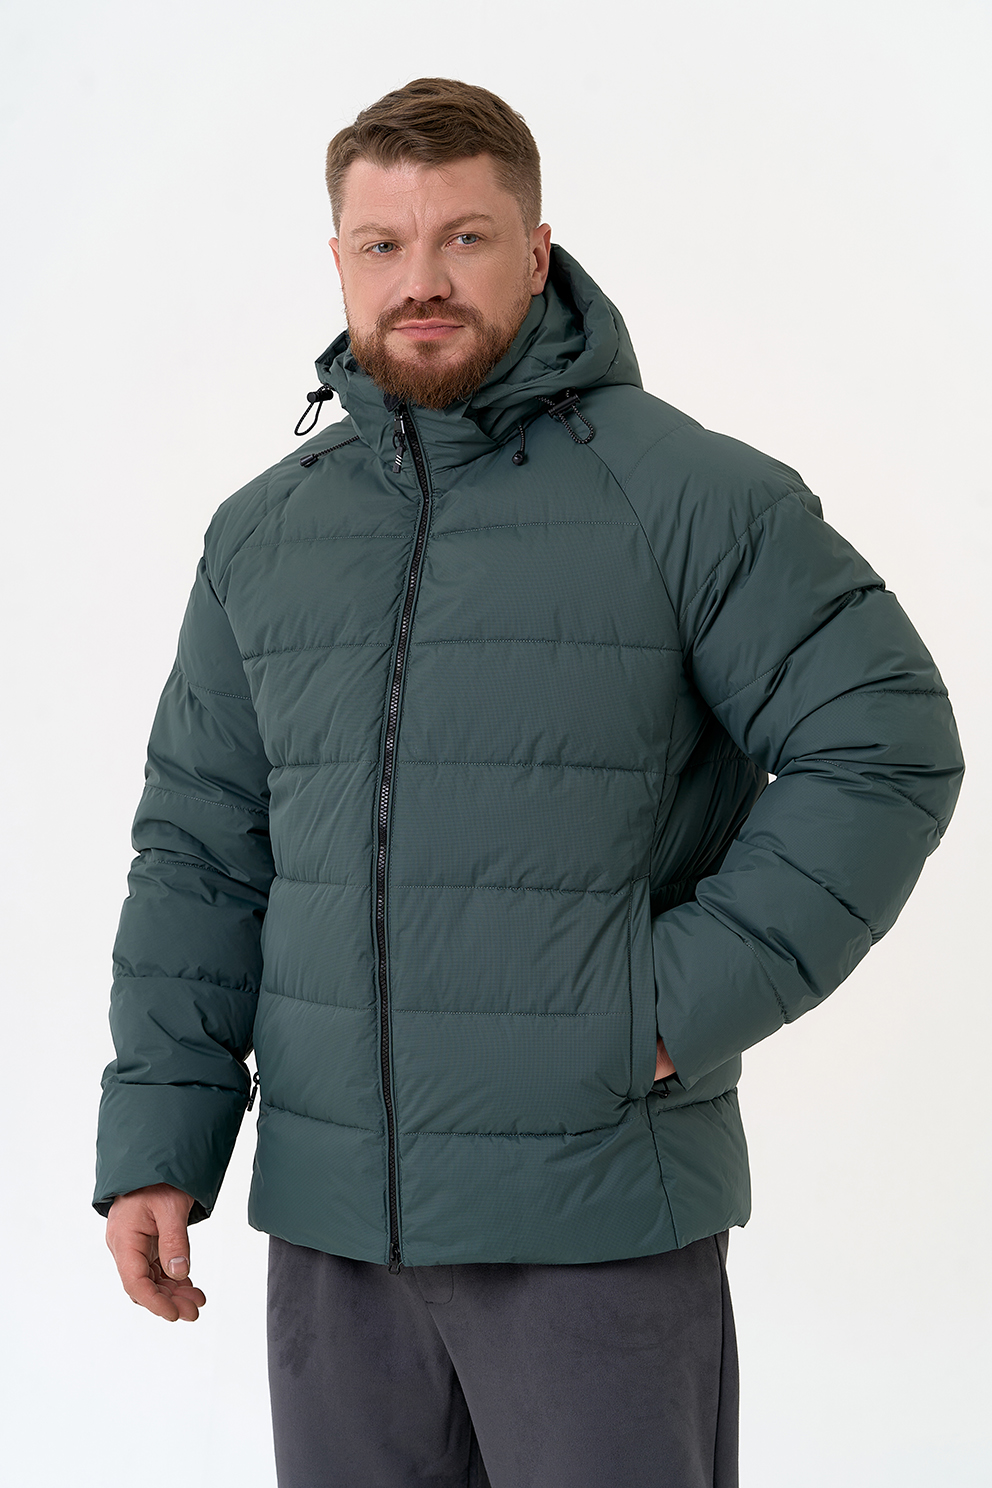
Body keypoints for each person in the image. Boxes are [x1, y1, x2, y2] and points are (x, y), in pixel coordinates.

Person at [94, 77, 964, 1488]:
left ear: (538, 250)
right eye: (383, 244)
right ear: (338, 260)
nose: (421, 281)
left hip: (592, 1218)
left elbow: (885, 745)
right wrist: (160, 1140)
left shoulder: (693, 498)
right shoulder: (263, 535)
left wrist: (657, 1014)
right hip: (334, 1235)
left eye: (465, 238)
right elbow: (200, 851)